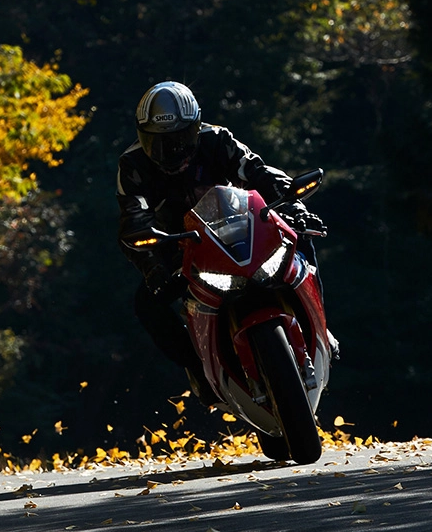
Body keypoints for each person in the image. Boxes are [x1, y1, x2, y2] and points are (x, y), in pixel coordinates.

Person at [115, 80, 329, 405]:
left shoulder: (218, 139)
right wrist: (152, 268)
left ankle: (321, 325)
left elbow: (258, 171)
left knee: (297, 236)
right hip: (178, 248)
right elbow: (132, 218)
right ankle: (198, 367)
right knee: (146, 302)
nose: (168, 153)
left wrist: (294, 206)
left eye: (178, 140)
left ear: (195, 128)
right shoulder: (131, 165)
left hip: (237, 230)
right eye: (157, 143)